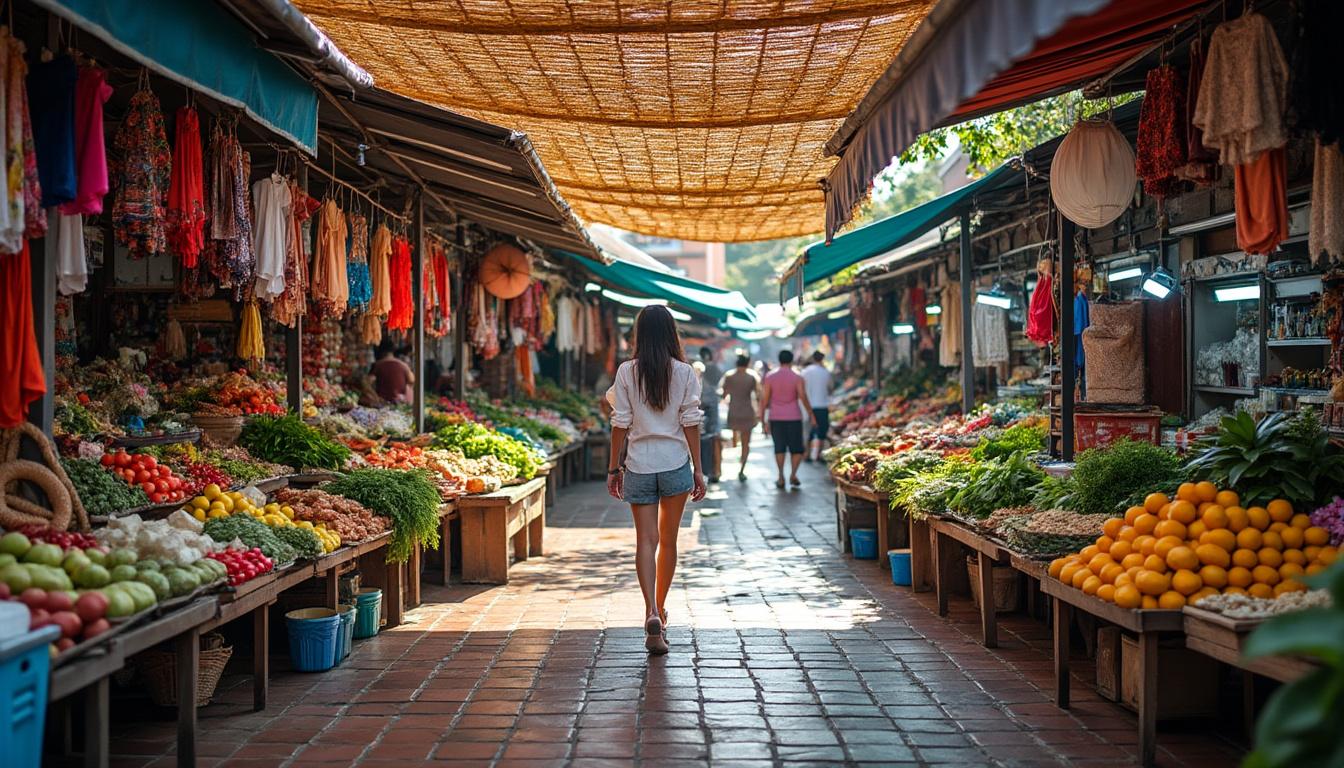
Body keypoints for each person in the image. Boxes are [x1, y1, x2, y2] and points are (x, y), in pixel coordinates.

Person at [606, 305, 707, 655]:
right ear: (671, 333)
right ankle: (661, 612)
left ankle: (649, 609)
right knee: (669, 541)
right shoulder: (685, 372)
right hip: (675, 463)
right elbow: (690, 421)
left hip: (639, 464)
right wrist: (697, 467)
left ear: (639, 334)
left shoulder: (626, 372)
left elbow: (620, 422)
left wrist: (613, 468)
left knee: (645, 541)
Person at [759, 350, 813, 489]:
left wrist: (762, 419)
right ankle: (793, 474)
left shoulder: (770, 377)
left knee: (779, 447)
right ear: (791, 360)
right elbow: (803, 396)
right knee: (796, 448)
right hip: (794, 416)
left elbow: (764, 399)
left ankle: (781, 476)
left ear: (779, 359)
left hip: (775, 417)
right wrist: (811, 414)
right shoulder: (797, 377)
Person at [720, 354, 760, 481]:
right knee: (746, 443)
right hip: (748, 412)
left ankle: (729, 459)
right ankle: (742, 469)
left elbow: (724, 393)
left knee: (734, 439)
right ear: (748, 363)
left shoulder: (729, 376)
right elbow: (759, 395)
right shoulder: (752, 376)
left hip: (734, 412)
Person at [800, 350, 832, 461]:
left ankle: (807, 454)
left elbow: (801, 389)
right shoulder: (825, 372)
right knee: (822, 431)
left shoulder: (805, 372)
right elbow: (829, 388)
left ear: (813, 358)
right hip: (822, 405)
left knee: (809, 431)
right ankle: (819, 454)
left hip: (808, 406)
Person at [698, 347, 723, 483]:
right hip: (710, 406)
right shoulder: (712, 368)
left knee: (706, 440)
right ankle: (714, 470)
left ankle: (710, 470)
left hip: (702, 407)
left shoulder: (699, 367)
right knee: (713, 439)